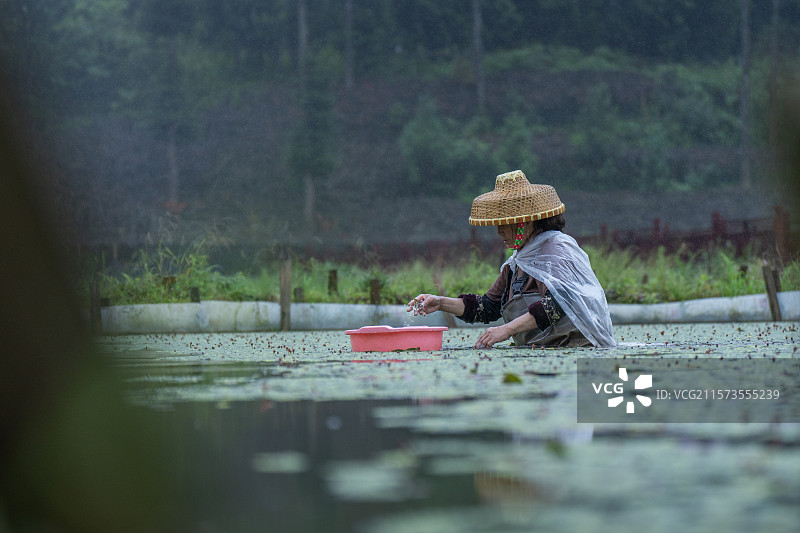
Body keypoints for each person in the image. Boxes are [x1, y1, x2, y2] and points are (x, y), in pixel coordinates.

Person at [407, 170, 616, 348]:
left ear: (523, 222)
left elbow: (559, 303)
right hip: (539, 355)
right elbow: (486, 307)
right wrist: (440, 302)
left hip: (577, 351)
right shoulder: (516, 264)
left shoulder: (556, 250)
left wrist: (507, 330)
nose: (499, 232)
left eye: (504, 224)